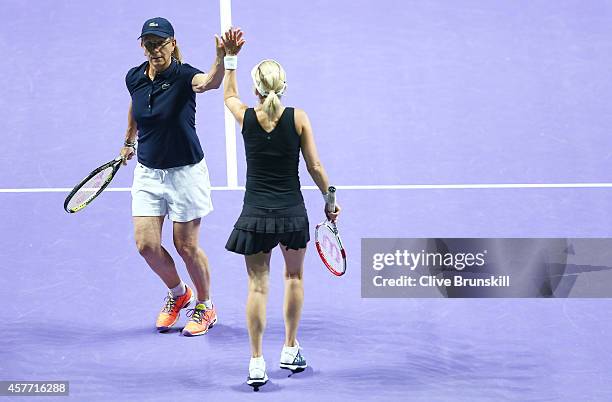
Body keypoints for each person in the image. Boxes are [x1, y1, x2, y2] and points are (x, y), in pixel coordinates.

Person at [221, 28, 341, 386]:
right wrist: (330, 200)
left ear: (256, 89)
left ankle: (256, 361)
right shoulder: (299, 117)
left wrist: (230, 59)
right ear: (283, 86)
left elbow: (228, 94)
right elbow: (315, 167)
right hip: (291, 214)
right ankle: (289, 349)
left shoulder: (245, 115)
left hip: (255, 216)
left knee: (257, 286)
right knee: (294, 278)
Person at [120, 17, 223, 336]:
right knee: (146, 245)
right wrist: (128, 139)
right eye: (148, 44)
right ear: (142, 46)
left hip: (185, 173)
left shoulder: (184, 75)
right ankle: (179, 295)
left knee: (186, 246)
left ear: (172, 43)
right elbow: (135, 107)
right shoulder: (134, 77)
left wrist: (222, 58)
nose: (155, 50)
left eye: (160, 43)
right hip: (149, 174)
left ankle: (205, 306)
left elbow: (210, 83)